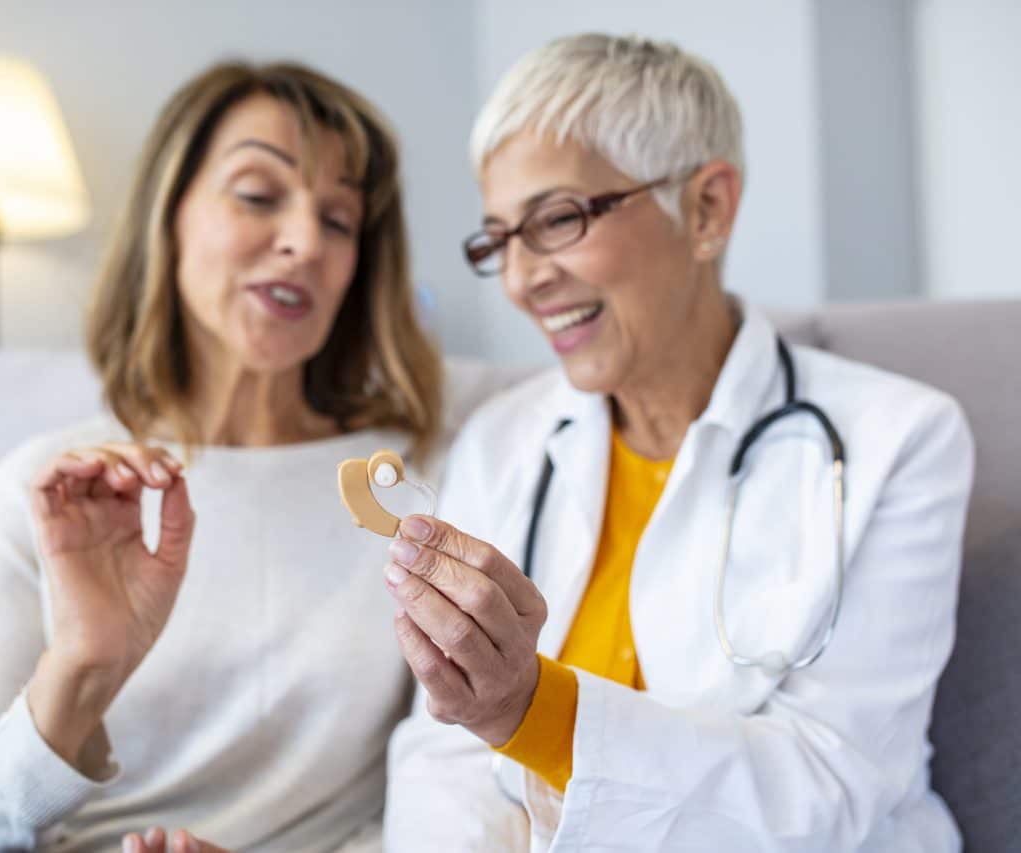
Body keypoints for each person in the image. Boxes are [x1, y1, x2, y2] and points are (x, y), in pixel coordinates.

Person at [382, 34, 974, 852]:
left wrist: (525, 709)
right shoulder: (502, 440)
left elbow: (835, 785)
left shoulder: (899, 441)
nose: (521, 279)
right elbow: (441, 753)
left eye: (557, 219)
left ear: (706, 209)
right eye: (499, 240)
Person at [0, 60, 441, 852]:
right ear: (169, 215)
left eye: (341, 220)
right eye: (258, 194)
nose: (304, 242)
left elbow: (449, 797)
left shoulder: (410, 484)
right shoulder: (51, 488)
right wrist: (83, 666)